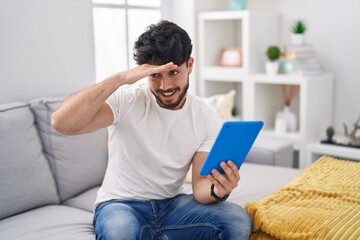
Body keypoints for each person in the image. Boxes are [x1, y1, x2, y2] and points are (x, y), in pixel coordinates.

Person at [51, 20, 251, 240]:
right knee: (121, 233)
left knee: (236, 219)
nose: (165, 86)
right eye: (155, 75)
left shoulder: (205, 116)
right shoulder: (126, 100)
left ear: (190, 65)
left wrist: (218, 190)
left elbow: (201, 189)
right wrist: (118, 79)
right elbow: (61, 123)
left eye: (173, 72)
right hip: (120, 205)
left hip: (172, 207)